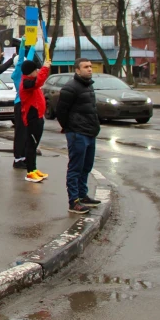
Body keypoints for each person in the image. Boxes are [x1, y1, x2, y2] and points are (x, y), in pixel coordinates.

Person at [56, 58, 102, 215]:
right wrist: (69, 128)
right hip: (77, 133)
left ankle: (83, 195)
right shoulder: (70, 88)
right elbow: (61, 111)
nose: (89, 69)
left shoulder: (88, 86)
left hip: (90, 132)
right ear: (77, 70)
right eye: (85, 67)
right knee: (76, 167)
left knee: (86, 166)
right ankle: (73, 201)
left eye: (90, 66)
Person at [19, 58, 51, 184]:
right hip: (32, 118)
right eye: (35, 70)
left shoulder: (31, 80)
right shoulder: (27, 83)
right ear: (30, 72)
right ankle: (30, 171)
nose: (37, 72)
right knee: (31, 145)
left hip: (38, 117)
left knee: (34, 144)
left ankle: (33, 168)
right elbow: (39, 82)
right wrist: (45, 68)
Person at [11, 42, 38, 170]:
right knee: (20, 132)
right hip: (20, 103)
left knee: (27, 132)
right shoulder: (18, 74)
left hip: (26, 104)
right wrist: (23, 45)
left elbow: (28, 60)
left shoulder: (25, 74)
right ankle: (18, 158)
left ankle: (24, 156)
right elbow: (22, 59)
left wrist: (33, 45)